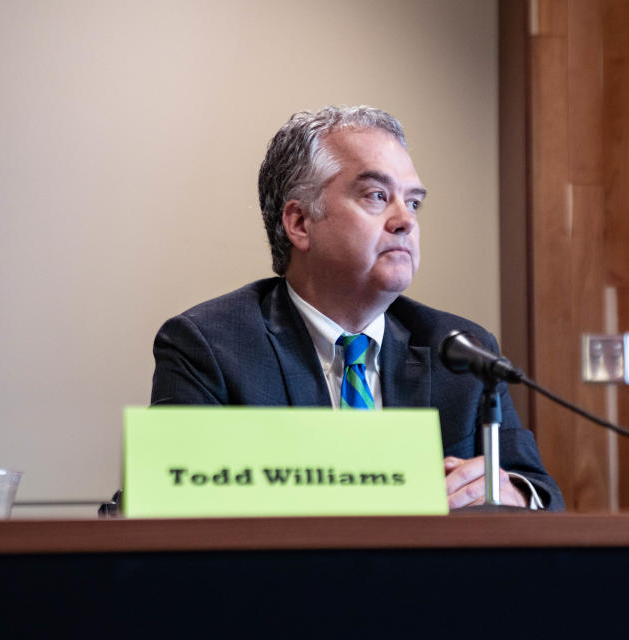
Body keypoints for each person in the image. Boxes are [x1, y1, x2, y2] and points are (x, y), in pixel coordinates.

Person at [151, 106, 564, 511]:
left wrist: (515, 495)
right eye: (377, 196)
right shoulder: (210, 346)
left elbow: (541, 492)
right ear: (299, 222)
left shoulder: (460, 351)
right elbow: (172, 507)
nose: (405, 220)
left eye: (414, 203)